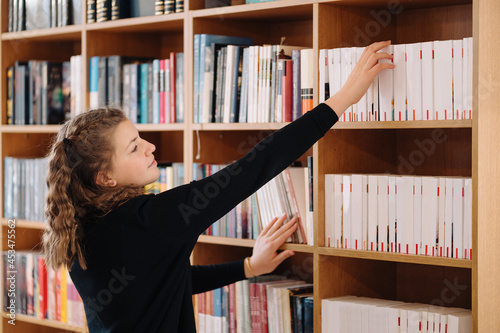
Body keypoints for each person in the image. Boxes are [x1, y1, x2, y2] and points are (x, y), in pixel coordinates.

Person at [43, 40, 394, 332]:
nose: (150, 147)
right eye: (134, 147)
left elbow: (168, 282)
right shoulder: (150, 220)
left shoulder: (81, 226)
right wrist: (344, 98)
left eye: (141, 137)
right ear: (106, 178)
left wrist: (248, 268)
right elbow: (252, 168)